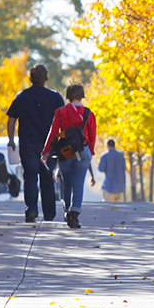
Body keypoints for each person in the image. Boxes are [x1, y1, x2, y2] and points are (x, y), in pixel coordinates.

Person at [6, 64, 64, 223]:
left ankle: (31, 211)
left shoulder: (21, 96)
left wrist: (11, 139)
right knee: (47, 178)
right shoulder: (55, 97)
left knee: (30, 177)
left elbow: (11, 120)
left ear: (30, 78)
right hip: (49, 145)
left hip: (27, 143)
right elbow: (62, 120)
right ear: (45, 78)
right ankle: (49, 214)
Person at [43, 83, 97, 229]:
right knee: (79, 183)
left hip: (65, 151)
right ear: (82, 96)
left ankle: (67, 209)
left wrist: (46, 152)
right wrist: (90, 152)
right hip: (82, 151)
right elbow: (92, 136)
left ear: (68, 96)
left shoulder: (61, 112)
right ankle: (75, 213)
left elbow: (53, 133)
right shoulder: (88, 113)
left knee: (66, 183)